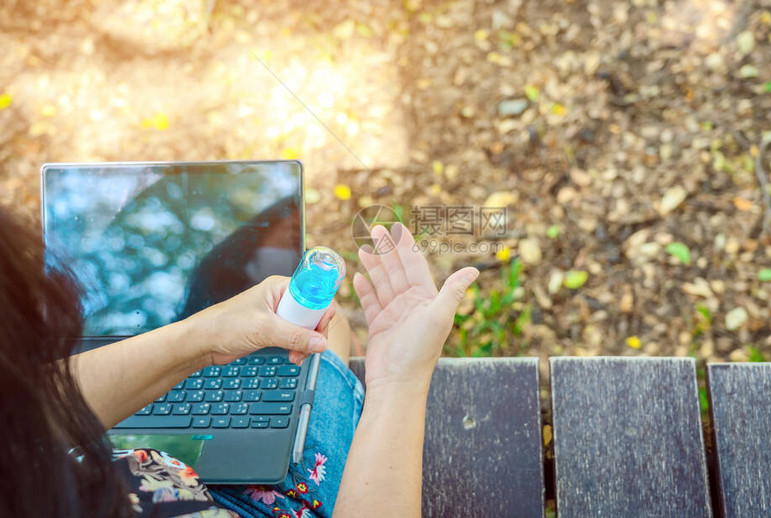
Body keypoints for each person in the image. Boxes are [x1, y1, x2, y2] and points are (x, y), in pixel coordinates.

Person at [0, 205, 479, 518]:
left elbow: (20, 415)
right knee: (332, 334)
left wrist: (205, 337)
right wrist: (398, 381)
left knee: (328, 330)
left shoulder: (21, 461)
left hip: (154, 483)